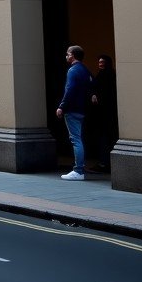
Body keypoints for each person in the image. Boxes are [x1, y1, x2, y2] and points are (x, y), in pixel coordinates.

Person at [57, 44, 92, 181]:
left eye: (67, 54)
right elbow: (92, 83)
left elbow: (69, 90)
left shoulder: (72, 71)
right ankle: (80, 168)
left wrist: (62, 106)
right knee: (79, 138)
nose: (66, 56)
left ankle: (78, 170)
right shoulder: (85, 70)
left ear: (72, 55)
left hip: (72, 110)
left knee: (76, 139)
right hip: (83, 109)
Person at [88, 54, 118, 172]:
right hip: (104, 114)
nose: (100, 64)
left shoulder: (108, 76)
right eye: (99, 62)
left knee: (105, 138)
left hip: (106, 114)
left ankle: (104, 163)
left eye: (103, 63)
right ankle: (104, 162)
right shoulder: (105, 75)